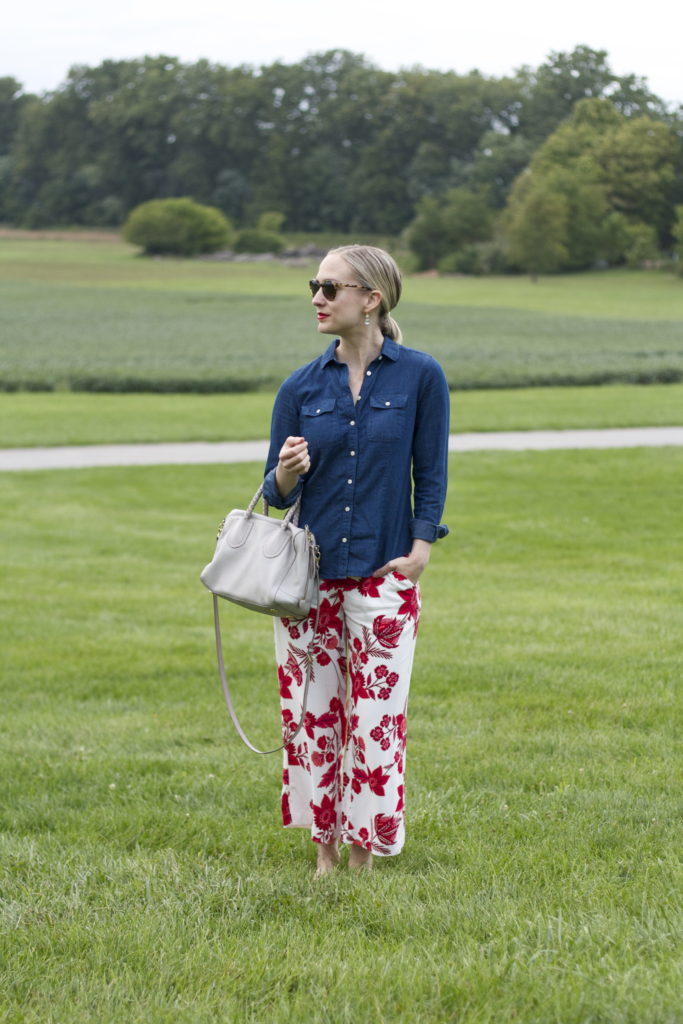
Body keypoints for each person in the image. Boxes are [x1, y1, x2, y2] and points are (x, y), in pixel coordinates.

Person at [262, 244, 449, 876]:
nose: (317, 297)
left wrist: (420, 549)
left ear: (372, 299)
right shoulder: (300, 386)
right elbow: (271, 492)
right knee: (313, 720)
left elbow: (432, 470)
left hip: (383, 578)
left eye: (331, 287)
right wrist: (286, 475)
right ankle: (323, 854)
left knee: (376, 722)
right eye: (315, 285)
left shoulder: (421, 376)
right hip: (307, 585)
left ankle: (367, 852)